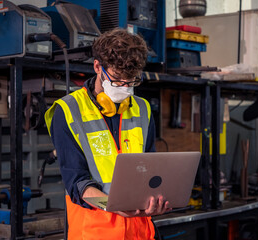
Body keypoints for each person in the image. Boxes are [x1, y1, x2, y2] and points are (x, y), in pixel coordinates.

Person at [45, 28, 171, 240]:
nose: (124, 88)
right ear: (97, 67)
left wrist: (156, 200)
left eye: (131, 81)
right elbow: (78, 183)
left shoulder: (142, 109)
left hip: (140, 233)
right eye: (117, 79)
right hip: (95, 233)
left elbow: (150, 170)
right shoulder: (68, 111)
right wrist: (114, 207)